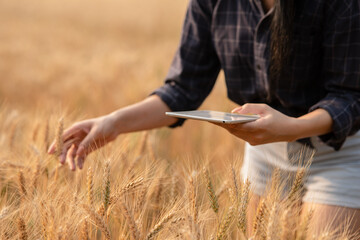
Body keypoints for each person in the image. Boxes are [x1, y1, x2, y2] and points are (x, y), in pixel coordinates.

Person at [48, 0, 360, 237]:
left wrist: (291, 128)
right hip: (267, 153)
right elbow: (183, 89)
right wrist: (114, 122)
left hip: (339, 151)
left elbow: (349, 96)